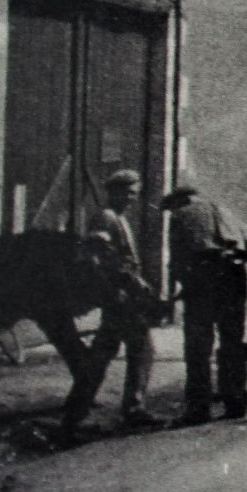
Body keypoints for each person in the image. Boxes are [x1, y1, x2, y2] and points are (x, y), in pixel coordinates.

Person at [162, 185, 247, 425]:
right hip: (235, 277)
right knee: (232, 340)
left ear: (179, 201)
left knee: (198, 346)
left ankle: (198, 408)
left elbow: (177, 259)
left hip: (204, 277)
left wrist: (177, 289)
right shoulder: (223, 209)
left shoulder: (180, 215)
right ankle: (235, 402)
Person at [85, 169, 164, 429]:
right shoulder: (106, 218)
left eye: (135, 194)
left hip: (121, 296)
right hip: (120, 296)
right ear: (114, 192)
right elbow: (100, 258)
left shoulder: (116, 217)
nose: (132, 199)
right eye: (128, 193)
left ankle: (78, 405)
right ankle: (133, 407)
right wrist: (129, 284)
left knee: (103, 351)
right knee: (142, 349)